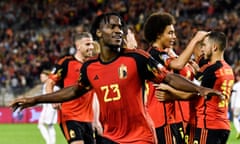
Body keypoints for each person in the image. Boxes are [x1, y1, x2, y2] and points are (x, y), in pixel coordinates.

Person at [9, 12, 222, 144]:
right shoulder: (90, 67)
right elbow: (74, 91)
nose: (118, 30)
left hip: (140, 138)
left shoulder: (137, 58)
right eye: (112, 26)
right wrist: (36, 99)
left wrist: (199, 90)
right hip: (109, 137)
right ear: (98, 33)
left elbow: (168, 78)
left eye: (120, 27)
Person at [157, 31, 234, 144]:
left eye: (204, 45)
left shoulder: (211, 70)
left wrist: (171, 94)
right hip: (222, 126)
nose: (202, 49)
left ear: (214, 47)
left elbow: (193, 93)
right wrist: (199, 74)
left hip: (207, 125)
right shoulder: (228, 69)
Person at [143, 12, 201, 144]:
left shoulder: (165, 54)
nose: (174, 36)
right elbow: (178, 65)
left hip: (172, 117)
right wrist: (195, 40)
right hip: (162, 119)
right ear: (158, 34)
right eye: (170, 33)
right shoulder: (154, 54)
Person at [45, 32, 96, 144]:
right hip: (70, 115)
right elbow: (49, 83)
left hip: (88, 118)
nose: (91, 47)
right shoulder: (66, 62)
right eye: (87, 44)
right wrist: (53, 100)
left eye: (92, 44)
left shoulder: (93, 65)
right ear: (78, 46)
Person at [38, 70, 60, 144]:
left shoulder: (51, 85)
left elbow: (57, 93)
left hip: (50, 108)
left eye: (42, 76)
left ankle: (49, 142)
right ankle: (51, 142)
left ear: (47, 77)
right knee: (48, 126)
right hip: (47, 108)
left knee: (43, 125)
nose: (41, 78)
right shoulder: (46, 85)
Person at [231, 68, 240, 139]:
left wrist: (232, 106)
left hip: (237, 105)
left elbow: (233, 96)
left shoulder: (236, 85)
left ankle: (239, 130)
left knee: (235, 118)